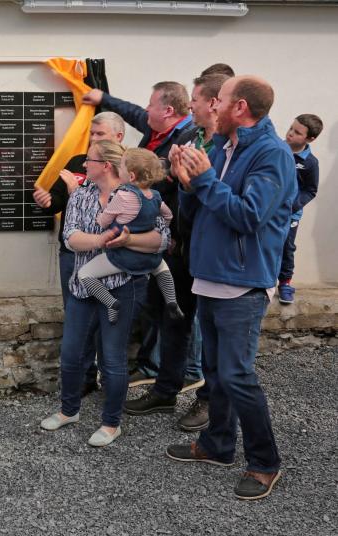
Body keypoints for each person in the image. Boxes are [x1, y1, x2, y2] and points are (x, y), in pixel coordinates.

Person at [167, 75, 296, 500]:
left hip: (241, 282)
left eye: (217, 101)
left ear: (239, 108)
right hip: (209, 275)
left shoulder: (271, 153)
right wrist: (187, 182)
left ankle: (264, 463)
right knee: (216, 373)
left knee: (239, 377)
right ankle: (217, 446)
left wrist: (203, 181)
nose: (208, 108)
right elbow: (202, 211)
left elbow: (248, 216)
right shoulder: (222, 147)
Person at [39, 140, 169, 447]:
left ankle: (111, 423)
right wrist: (104, 240)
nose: (84, 165)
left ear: (106, 166)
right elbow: (70, 237)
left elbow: (161, 238)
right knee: (71, 354)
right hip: (82, 288)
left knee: (112, 359)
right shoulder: (81, 195)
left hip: (123, 289)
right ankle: (68, 410)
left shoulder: (138, 197)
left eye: (90, 161)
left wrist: (126, 242)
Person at [83, 82, 201, 404]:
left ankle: (191, 370)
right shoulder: (159, 133)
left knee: (181, 309)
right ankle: (155, 368)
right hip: (160, 241)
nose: (145, 110)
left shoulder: (187, 138)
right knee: (161, 303)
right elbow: (136, 113)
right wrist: (103, 98)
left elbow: (173, 193)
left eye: (151, 105)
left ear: (167, 111)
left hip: (174, 241)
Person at [125, 72, 230, 430]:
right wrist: (168, 172)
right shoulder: (188, 136)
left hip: (215, 251)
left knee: (214, 332)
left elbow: (223, 198)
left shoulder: (232, 146)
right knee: (172, 318)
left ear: (214, 103)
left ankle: (208, 402)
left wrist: (190, 178)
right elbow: (170, 185)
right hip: (179, 245)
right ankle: (165, 390)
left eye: (197, 99)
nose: (191, 106)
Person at [33, 111, 126, 397]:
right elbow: (61, 200)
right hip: (72, 256)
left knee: (108, 321)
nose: (93, 140)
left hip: (109, 259)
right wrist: (48, 201)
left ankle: (111, 383)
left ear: (119, 138)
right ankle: (83, 379)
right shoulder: (77, 163)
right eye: (92, 134)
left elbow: (122, 212)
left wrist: (78, 194)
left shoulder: (129, 168)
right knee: (78, 320)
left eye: (100, 135)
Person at [78, 147, 182, 324]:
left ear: (131, 176)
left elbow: (104, 221)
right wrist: (161, 228)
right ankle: (171, 300)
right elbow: (168, 215)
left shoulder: (123, 196)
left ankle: (111, 303)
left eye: (123, 166)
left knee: (84, 275)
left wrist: (98, 217)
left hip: (124, 257)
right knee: (162, 268)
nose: (120, 169)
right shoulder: (155, 196)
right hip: (150, 256)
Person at [278, 113, 322, 304]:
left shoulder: (310, 163)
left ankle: (285, 283)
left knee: (287, 247)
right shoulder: (275, 150)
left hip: (290, 215)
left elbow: (310, 190)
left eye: (297, 133)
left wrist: (292, 205)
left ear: (310, 138)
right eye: (290, 128)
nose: (290, 134)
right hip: (267, 211)